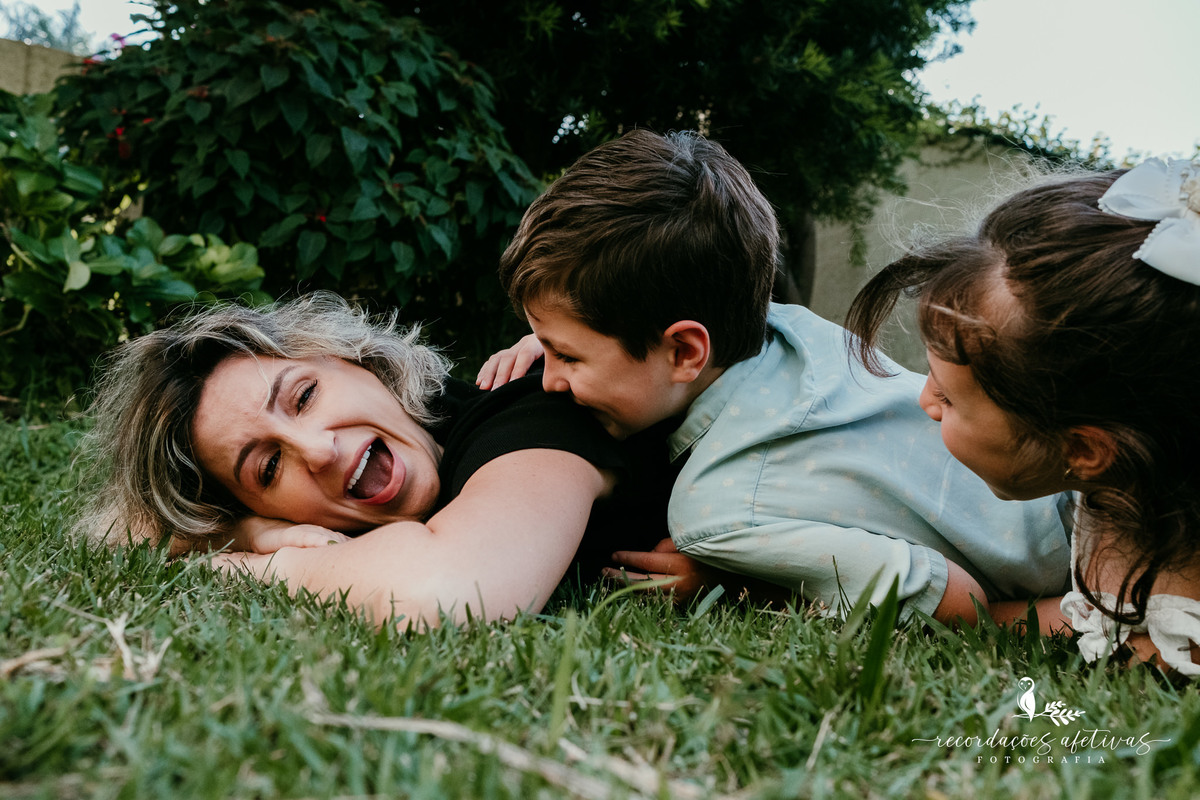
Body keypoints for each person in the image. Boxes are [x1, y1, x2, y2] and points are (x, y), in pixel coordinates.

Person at [477, 128, 1072, 627]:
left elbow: (954, 599)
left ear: (685, 351)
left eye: (569, 360)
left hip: (1078, 562)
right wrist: (560, 338)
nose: (550, 381)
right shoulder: (790, 330)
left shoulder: (717, 514)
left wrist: (744, 589)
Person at [73, 292, 664, 629]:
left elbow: (452, 595)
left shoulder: (532, 411)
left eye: (304, 396)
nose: (318, 450)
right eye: (267, 469)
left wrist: (241, 564)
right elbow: (126, 535)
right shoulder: (277, 511)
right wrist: (252, 531)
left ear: (355, 360)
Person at [844, 157, 1200, 674]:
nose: (924, 401)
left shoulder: (1184, 624)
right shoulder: (1120, 491)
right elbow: (1095, 614)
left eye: (948, 398)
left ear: (1084, 451)